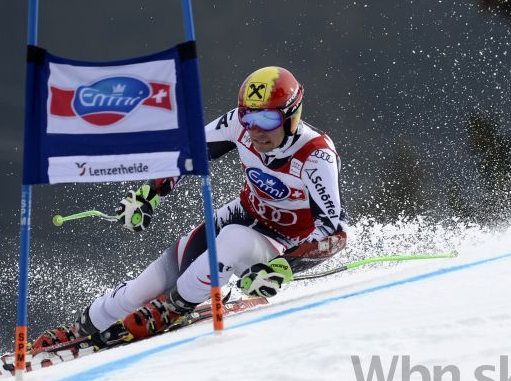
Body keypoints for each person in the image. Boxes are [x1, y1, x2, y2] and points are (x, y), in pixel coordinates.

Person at [33, 66, 348, 348]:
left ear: (292, 116)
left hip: (285, 243)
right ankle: (84, 327)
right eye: (248, 117)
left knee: (233, 240)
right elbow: (186, 153)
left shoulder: (316, 156)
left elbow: (334, 233)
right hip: (243, 213)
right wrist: (147, 195)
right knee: (147, 284)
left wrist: (282, 268)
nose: (255, 130)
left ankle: (172, 308)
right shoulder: (237, 125)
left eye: (267, 118)